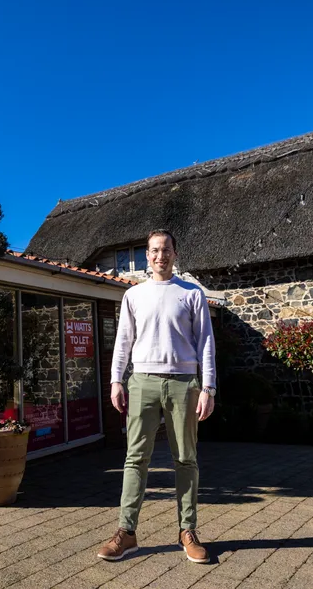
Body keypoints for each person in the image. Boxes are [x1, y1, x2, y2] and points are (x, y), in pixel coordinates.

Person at [97, 229, 216, 564]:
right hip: (142, 383)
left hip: (184, 384)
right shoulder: (133, 295)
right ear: (147, 256)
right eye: (154, 250)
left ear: (175, 254)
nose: (160, 256)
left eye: (166, 250)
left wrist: (208, 388)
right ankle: (126, 533)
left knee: (186, 459)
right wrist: (115, 380)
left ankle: (187, 531)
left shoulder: (192, 294)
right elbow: (123, 341)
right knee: (135, 458)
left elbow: (206, 343)